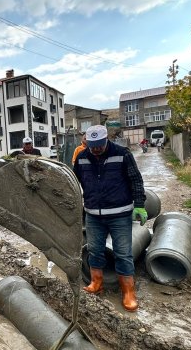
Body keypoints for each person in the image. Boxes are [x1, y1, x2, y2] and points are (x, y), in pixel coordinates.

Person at [73, 125, 147, 312]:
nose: (96, 149)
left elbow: (136, 180)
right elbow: (75, 184)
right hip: (93, 216)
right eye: (92, 145)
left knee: (123, 253)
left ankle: (128, 292)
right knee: (94, 251)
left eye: (99, 145)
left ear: (107, 140)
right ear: (87, 143)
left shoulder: (122, 154)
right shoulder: (82, 158)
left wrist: (139, 204)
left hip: (120, 215)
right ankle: (96, 283)